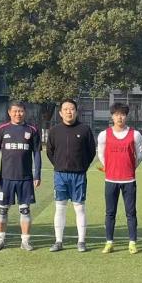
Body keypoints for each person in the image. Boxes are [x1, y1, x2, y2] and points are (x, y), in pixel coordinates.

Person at [46, 99, 95, 252]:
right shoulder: (54, 131)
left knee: (79, 208)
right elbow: (50, 152)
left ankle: (81, 241)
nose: (69, 111)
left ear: (76, 111)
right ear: (60, 113)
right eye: (66, 109)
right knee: (60, 208)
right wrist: (59, 165)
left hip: (79, 175)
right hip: (60, 175)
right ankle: (58, 241)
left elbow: (91, 152)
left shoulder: (85, 129)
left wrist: (82, 166)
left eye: (72, 109)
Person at [0, 102, 41, 251]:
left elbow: (37, 153)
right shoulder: (2, 129)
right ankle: (0, 240)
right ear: (9, 112)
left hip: (25, 178)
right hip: (6, 178)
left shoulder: (32, 129)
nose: (18, 114)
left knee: (25, 210)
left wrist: (37, 174)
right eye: (15, 111)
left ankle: (25, 241)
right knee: (2, 210)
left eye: (20, 111)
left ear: (25, 112)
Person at [98, 103, 142, 254]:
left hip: (129, 180)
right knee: (110, 212)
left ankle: (132, 242)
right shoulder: (104, 135)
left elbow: (139, 155)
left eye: (122, 114)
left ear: (126, 116)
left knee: (131, 212)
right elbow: (101, 154)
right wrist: (109, 167)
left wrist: (130, 167)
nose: (119, 117)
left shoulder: (135, 134)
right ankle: (109, 242)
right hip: (111, 180)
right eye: (116, 114)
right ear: (112, 116)